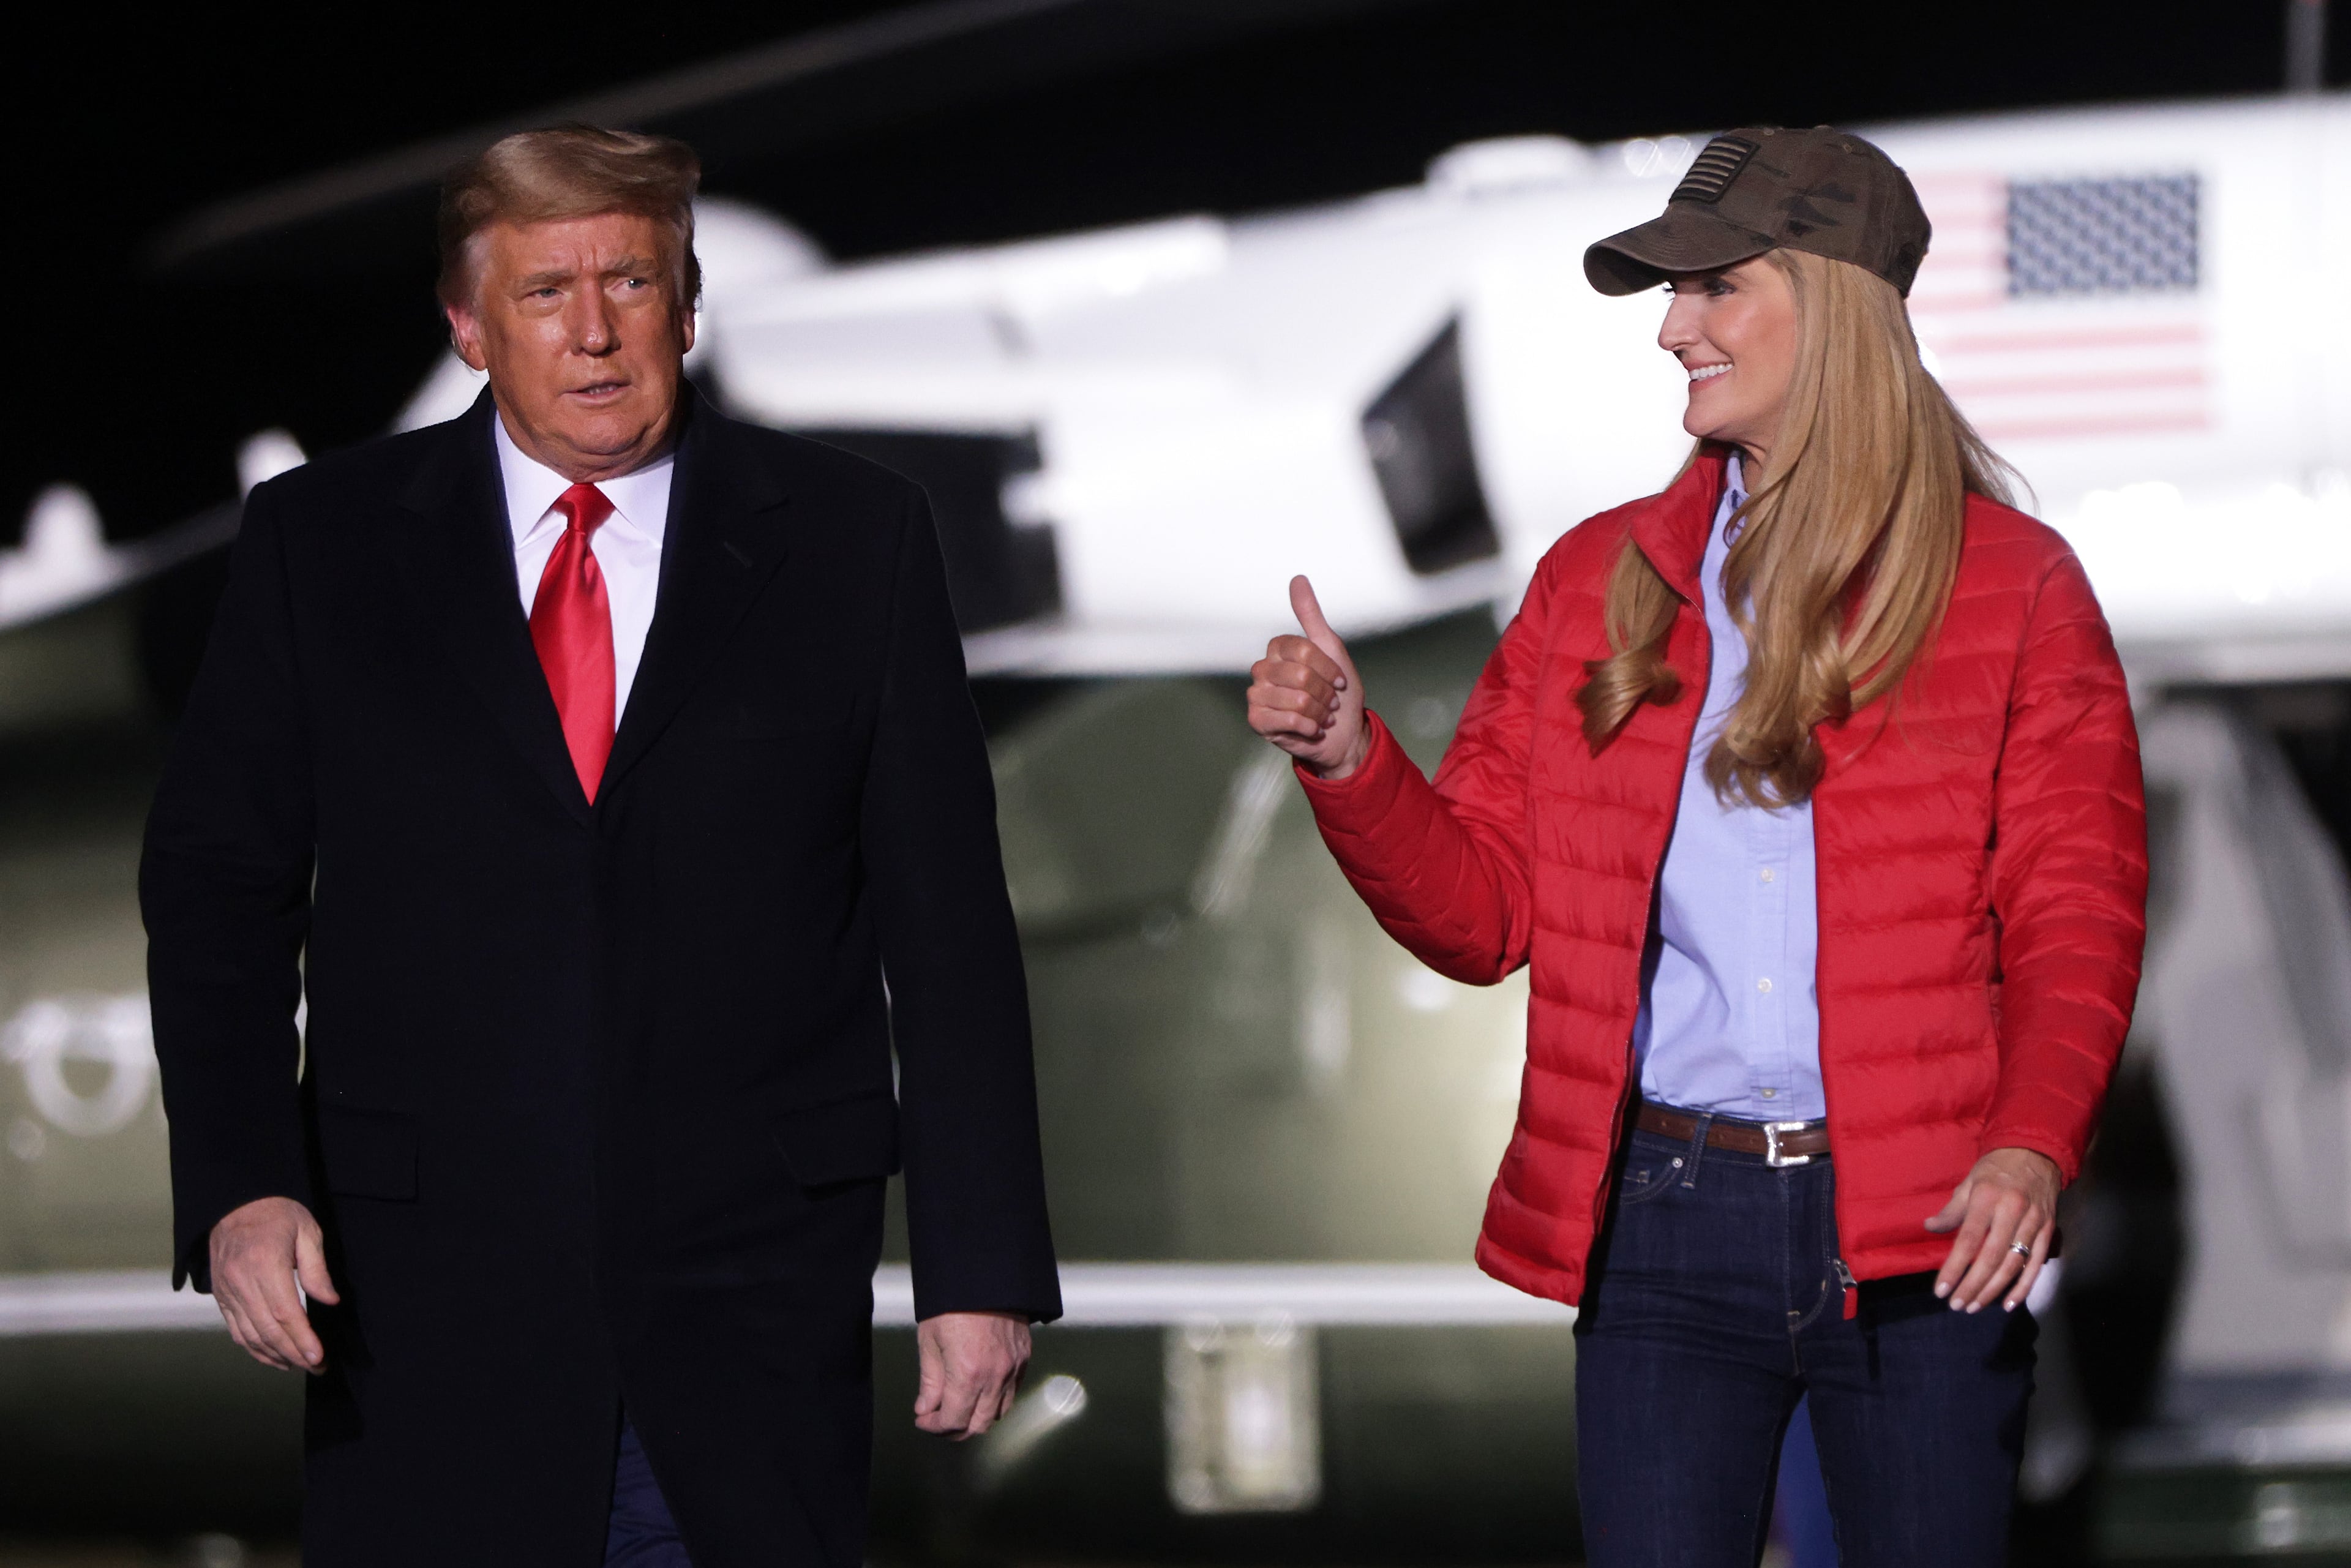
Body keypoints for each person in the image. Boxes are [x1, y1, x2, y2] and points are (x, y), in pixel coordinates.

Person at [141, 124, 1060, 1566]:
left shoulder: (853, 541)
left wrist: (983, 1266)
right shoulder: (321, 546)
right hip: (424, 1319)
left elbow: (946, 931)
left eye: (630, 284)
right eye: (545, 294)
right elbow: (216, 895)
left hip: (750, 1312)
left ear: (688, 309)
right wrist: (245, 1184)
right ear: (466, 328)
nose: (593, 334)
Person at [1247, 126, 2145, 1566]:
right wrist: (1353, 759)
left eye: (1717, 288)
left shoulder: (2017, 590)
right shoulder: (1599, 580)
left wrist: (2033, 1146)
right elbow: (1485, 916)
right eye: (1675, 295)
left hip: (1925, 1235)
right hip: (1665, 1225)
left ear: (1836, 303)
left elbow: (2076, 910)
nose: (1673, 330)